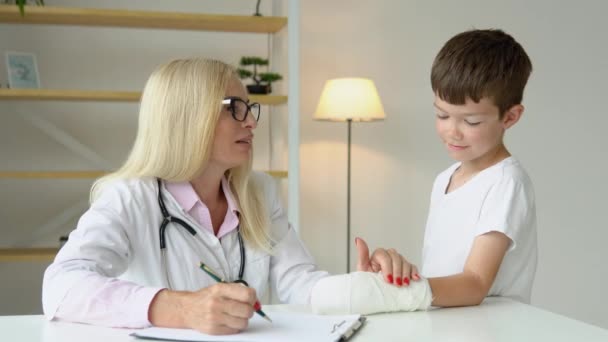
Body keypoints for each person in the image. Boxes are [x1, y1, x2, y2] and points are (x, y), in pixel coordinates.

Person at [42, 58, 411, 335]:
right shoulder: (129, 197)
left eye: (250, 109)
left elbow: (299, 282)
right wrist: (181, 309)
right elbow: (61, 287)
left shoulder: (260, 192)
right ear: (187, 116)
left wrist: (361, 287)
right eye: (235, 108)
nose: (251, 122)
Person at [403, 29, 538, 306]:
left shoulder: (505, 183)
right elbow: (441, 273)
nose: (452, 131)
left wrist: (402, 294)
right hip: (449, 326)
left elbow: (475, 283)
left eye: (471, 122)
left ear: (510, 117)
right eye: (442, 115)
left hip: (491, 329)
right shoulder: (444, 179)